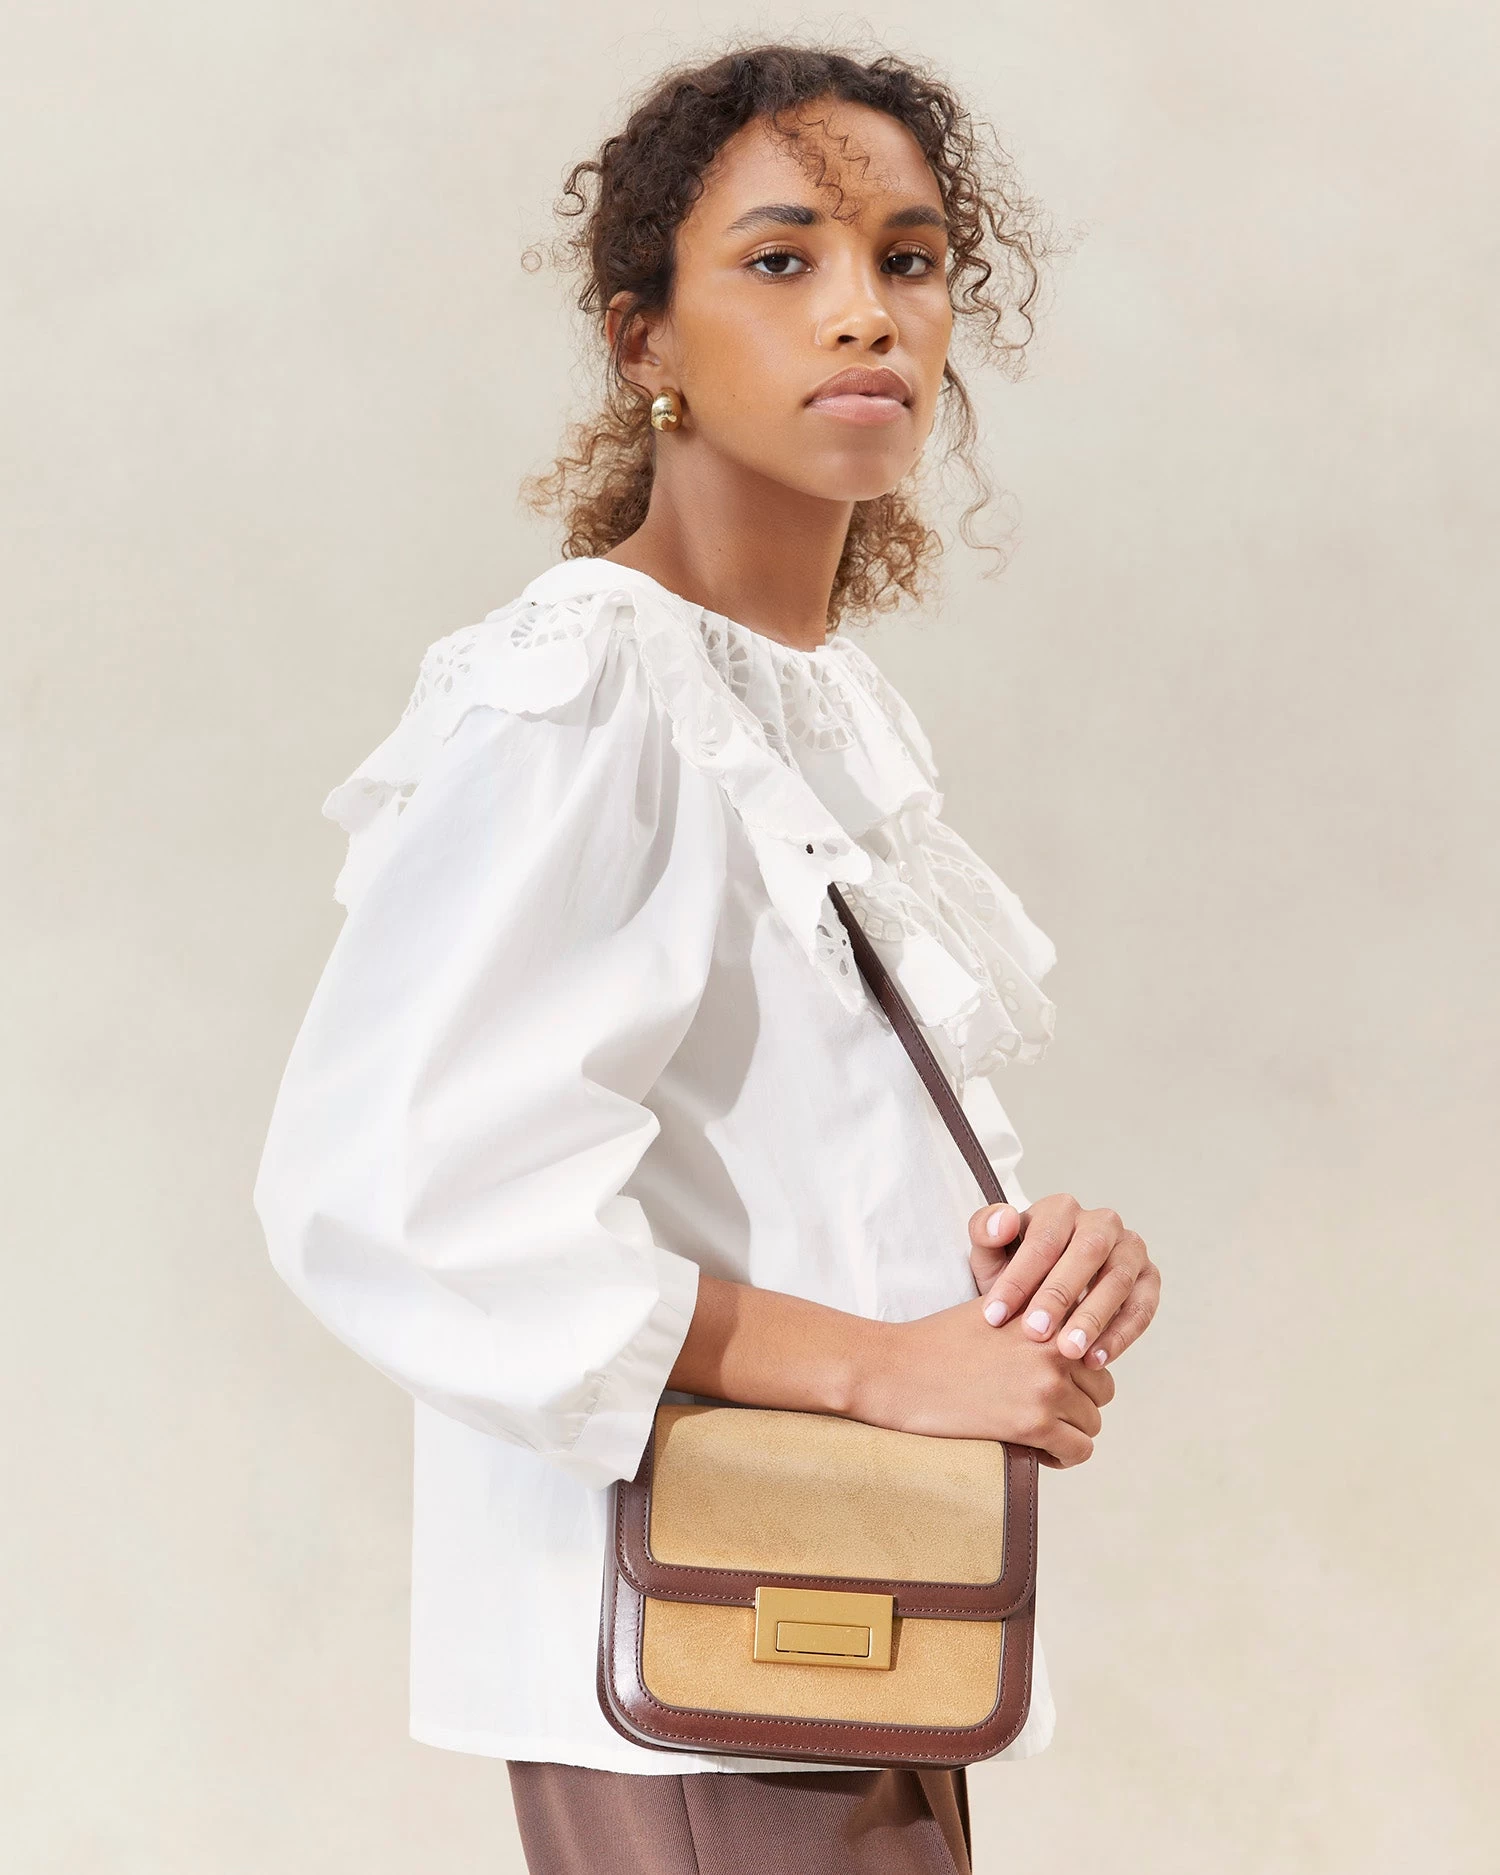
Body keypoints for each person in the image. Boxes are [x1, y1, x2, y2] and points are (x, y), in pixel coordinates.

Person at [253, 40, 1161, 1875]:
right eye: (780, 259)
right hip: (705, 1654)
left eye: (910, 260)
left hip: (847, 1617)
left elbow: (787, 1158)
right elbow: (393, 1194)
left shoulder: (806, 702)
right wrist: (885, 1370)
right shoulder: (592, 679)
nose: (865, 311)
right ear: (642, 340)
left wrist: (1031, 1278)